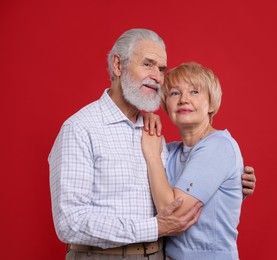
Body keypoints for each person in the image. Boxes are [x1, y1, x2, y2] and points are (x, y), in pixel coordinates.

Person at [49, 29, 256, 260]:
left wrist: (230, 183)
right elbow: (70, 222)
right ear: (118, 65)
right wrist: (155, 227)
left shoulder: (153, 135)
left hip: (159, 255)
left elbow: (187, 188)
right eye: (148, 64)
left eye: (161, 69)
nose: (157, 77)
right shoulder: (81, 128)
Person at [142, 62, 244, 259]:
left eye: (195, 92)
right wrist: (145, 119)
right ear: (165, 105)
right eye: (174, 93)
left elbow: (171, 214)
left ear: (212, 104)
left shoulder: (218, 146)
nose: (184, 100)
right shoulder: (170, 150)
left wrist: (153, 156)